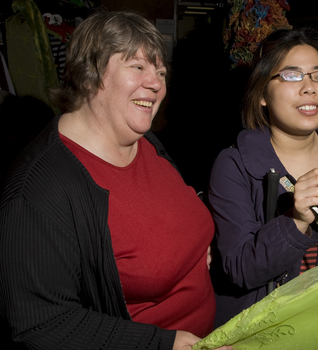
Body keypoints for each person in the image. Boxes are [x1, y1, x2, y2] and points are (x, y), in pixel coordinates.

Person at [0, 10, 230, 350]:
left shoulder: (145, 141)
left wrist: (195, 248)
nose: (156, 83)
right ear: (90, 74)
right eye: (137, 67)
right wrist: (161, 344)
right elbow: (40, 323)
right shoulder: (39, 191)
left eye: (161, 71)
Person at [208, 27, 318, 327]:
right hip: (261, 327)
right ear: (262, 93)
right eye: (291, 75)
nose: (309, 88)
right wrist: (296, 220)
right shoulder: (234, 165)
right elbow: (241, 270)